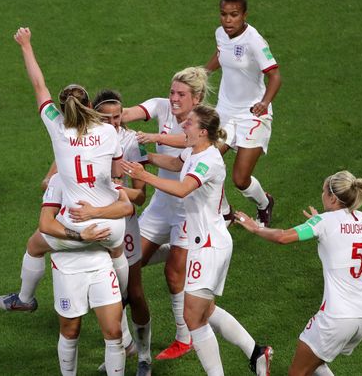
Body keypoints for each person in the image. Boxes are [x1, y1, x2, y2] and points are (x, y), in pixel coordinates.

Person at [7, 27, 128, 375]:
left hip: (75, 228)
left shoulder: (57, 129)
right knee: (117, 259)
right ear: (90, 106)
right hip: (108, 225)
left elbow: (39, 87)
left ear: (62, 109)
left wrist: (26, 45)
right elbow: (117, 169)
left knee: (40, 241)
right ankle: (124, 292)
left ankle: (25, 298)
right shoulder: (108, 132)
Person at [123, 105, 273, 376]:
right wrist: (144, 158)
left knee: (193, 318)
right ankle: (256, 353)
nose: (183, 126)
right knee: (207, 311)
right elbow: (176, 163)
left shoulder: (209, 161)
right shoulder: (194, 152)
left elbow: (182, 189)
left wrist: (144, 177)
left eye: (189, 124)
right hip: (203, 243)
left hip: (208, 246)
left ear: (203, 132)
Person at [235, 171, 362, 376]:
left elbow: (283, 237)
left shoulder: (324, 222)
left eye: (323, 191)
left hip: (337, 317)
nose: (321, 195)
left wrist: (255, 228)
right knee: (315, 361)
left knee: (298, 372)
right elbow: (340, 235)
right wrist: (319, 222)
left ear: (331, 197)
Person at [120, 67, 212, 360]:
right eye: (172, 92)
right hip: (161, 205)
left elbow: (188, 144)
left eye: (180, 94)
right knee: (128, 265)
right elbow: (125, 113)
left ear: (196, 98)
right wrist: (95, 116)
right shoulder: (161, 106)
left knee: (174, 274)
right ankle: (122, 341)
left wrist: (152, 137)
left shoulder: (204, 122)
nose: (173, 98)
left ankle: (184, 338)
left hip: (188, 211)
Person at [204, 0, 282, 227]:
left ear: (244, 15)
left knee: (240, 179)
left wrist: (264, 102)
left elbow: (275, 76)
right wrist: (203, 73)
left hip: (252, 116)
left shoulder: (254, 42)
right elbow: (221, 53)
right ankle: (225, 212)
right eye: (224, 14)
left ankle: (264, 202)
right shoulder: (220, 33)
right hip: (225, 113)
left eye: (234, 15)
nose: (228, 20)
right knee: (205, 162)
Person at [92, 89, 154, 376]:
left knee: (135, 293)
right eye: (108, 118)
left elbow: (140, 197)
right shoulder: (86, 142)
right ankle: (119, 349)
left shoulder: (132, 143)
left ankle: (144, 356)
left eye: (118, 116)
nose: (116, 123)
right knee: (107, 297)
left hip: (125, 226)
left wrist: (110, 185)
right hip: (95, 224)